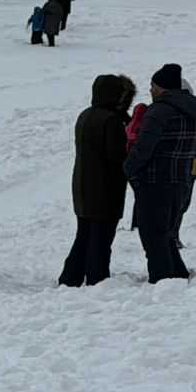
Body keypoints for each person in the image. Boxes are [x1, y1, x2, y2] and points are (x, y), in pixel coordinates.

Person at [124, 64, 196, 282]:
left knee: (152, 234)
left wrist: (128, 170)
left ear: (162, 87)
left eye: (153, 85)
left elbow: (143, 148)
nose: (150, 90)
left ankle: (162, 278)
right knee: (166, 230)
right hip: (182, 179)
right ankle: (178, 272)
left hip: (154, 180)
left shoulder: (158, 111)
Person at [60, 75, 133, 287]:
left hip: (83, 184)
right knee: (101, 238)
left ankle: (70, 277)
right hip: (106, 187)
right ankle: (98, 279)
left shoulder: (86, 115)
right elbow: (117, 156)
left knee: (84, 234)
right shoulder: (111, 121)